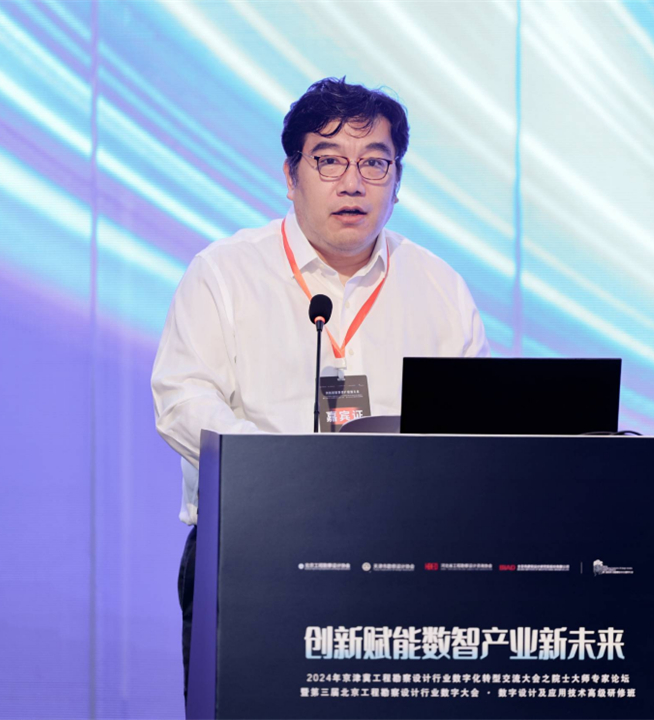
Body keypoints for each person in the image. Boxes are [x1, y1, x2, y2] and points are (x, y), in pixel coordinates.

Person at [151, 77, 489, 702]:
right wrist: (286, 473)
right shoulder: (225, 273)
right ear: (291, 174)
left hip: (407, 555)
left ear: (397, 180)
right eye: (329, 160)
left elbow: (475, 426)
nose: (353, 183)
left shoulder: (439, 286)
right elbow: (182, 400)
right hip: (252, 546)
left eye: (375, 163)